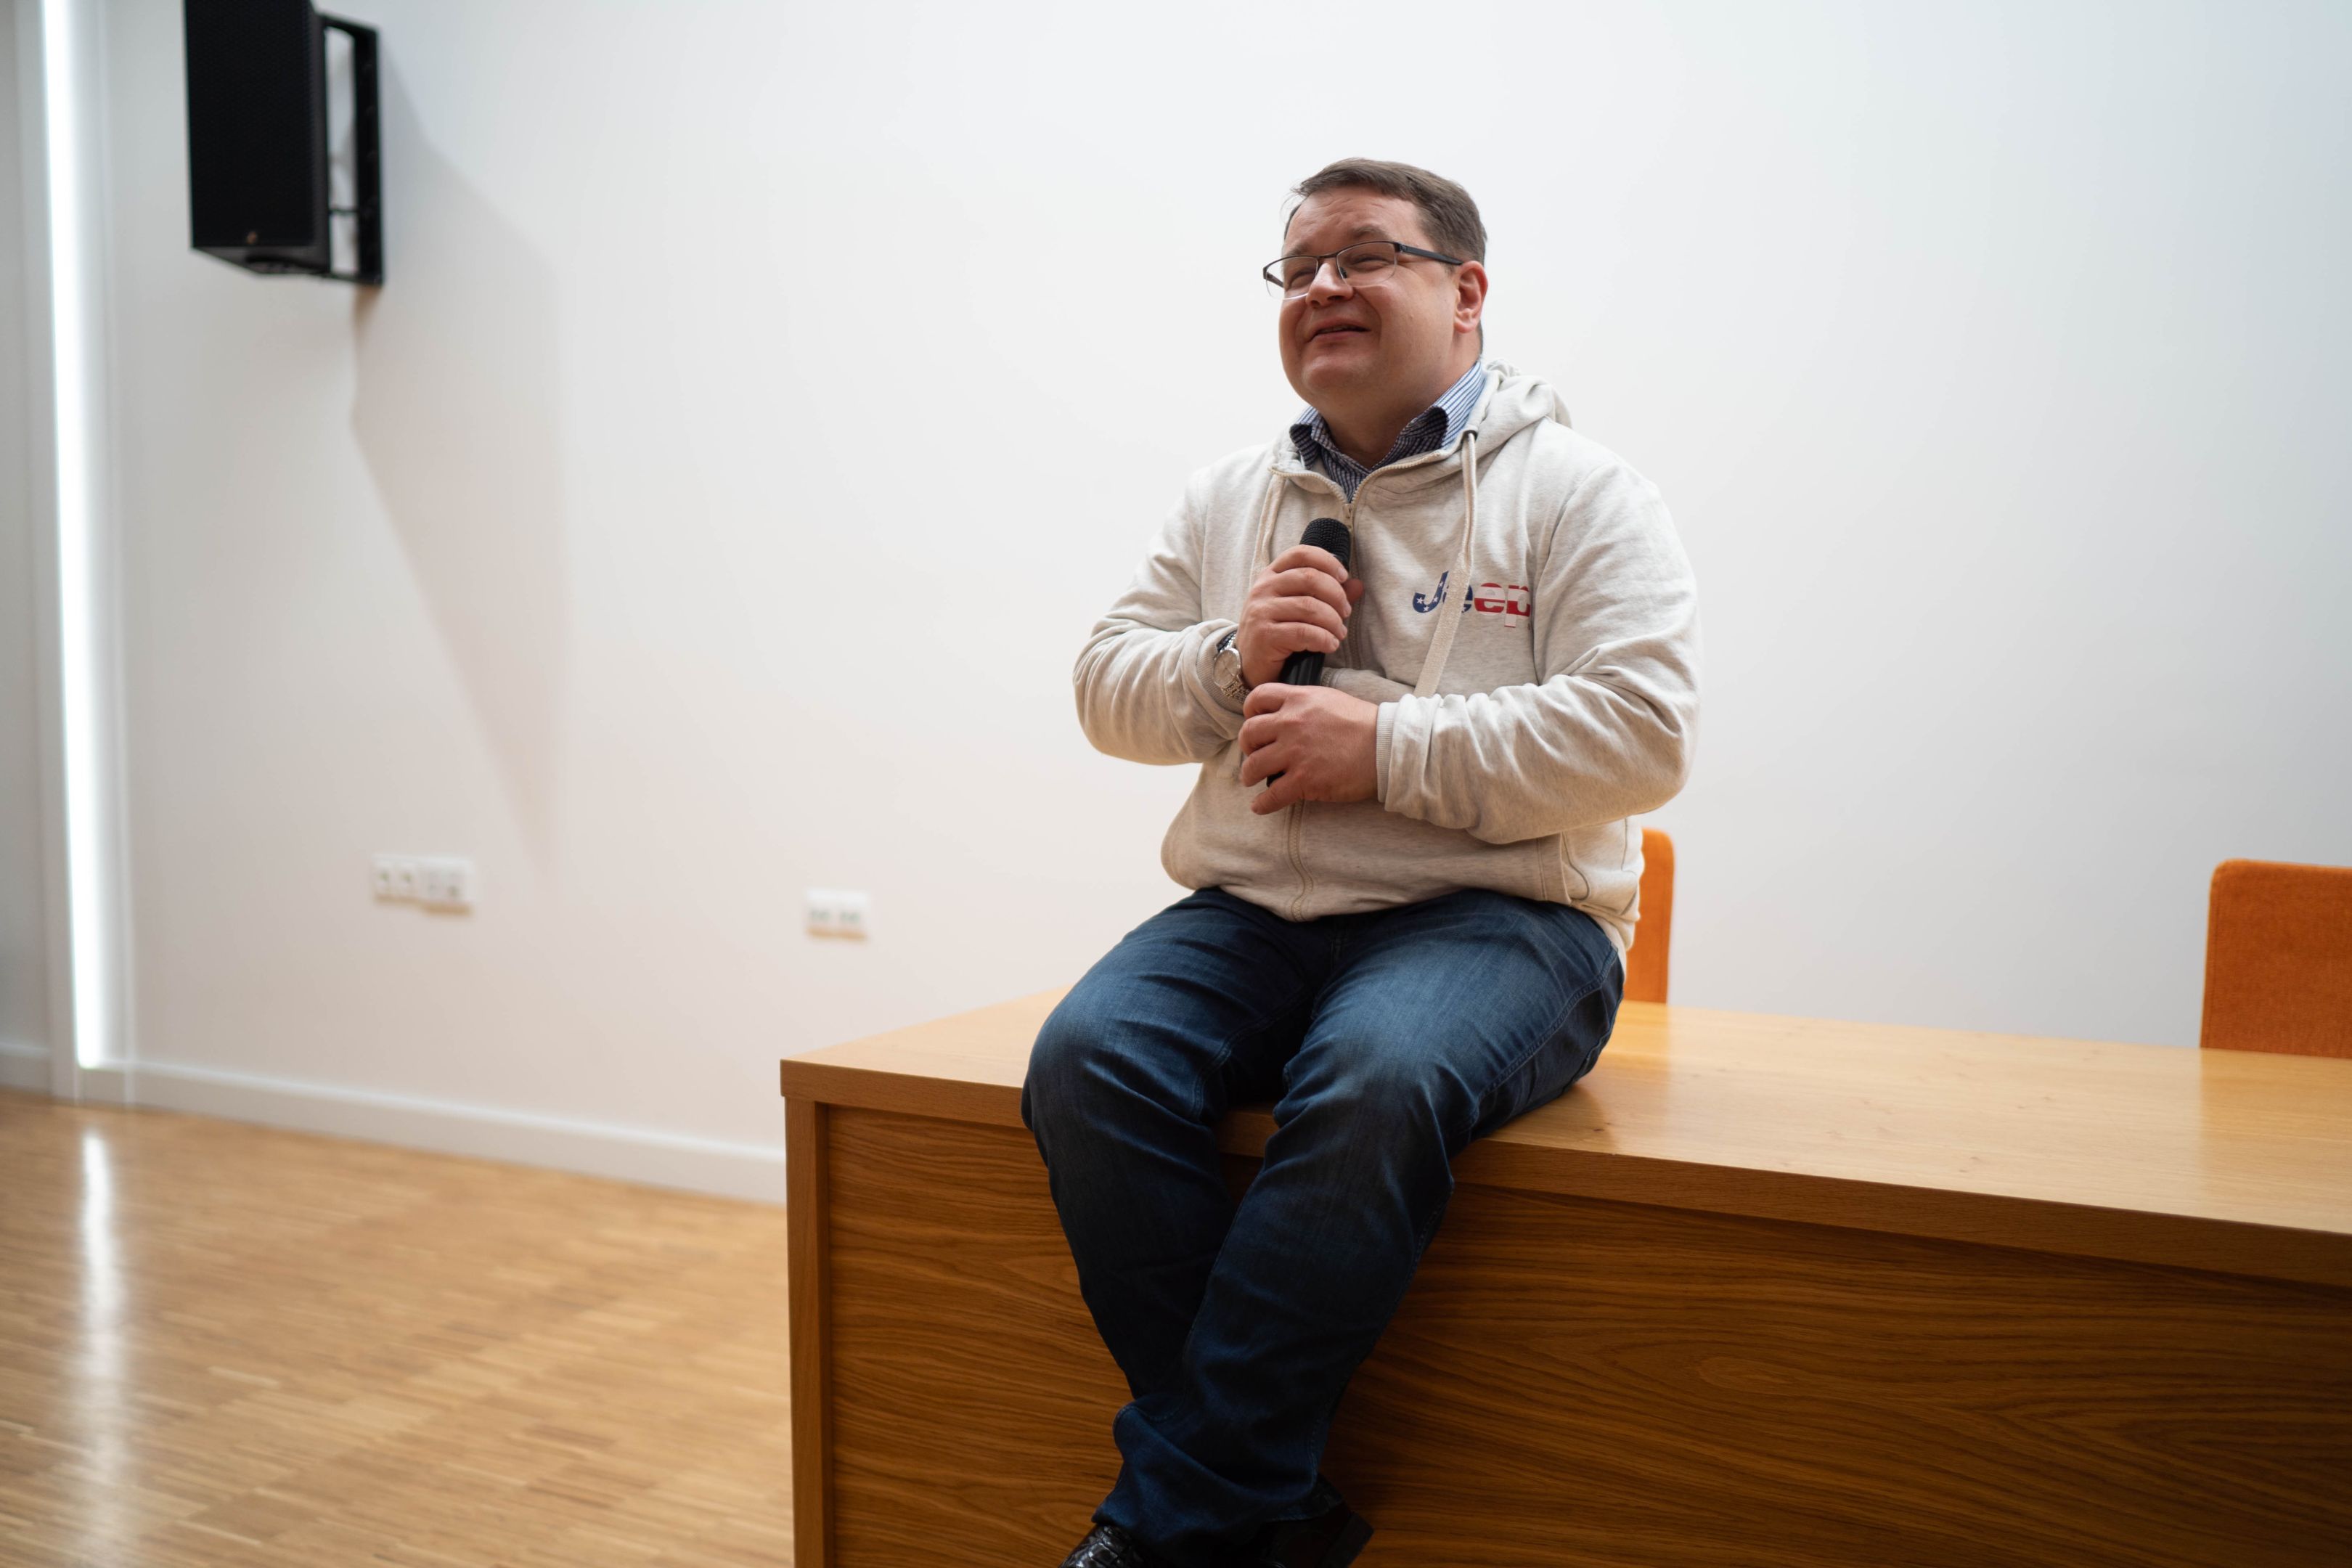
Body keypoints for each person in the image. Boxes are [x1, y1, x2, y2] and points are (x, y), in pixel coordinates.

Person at [1024, 158, 1701, 1568]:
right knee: (1089, 1058)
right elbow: (1102, 689)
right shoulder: (1228, 498)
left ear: (1466, 293)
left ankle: (1173, 1531)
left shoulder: (1582, 492)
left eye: (1365, 256)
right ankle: (1259, 1510)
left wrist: (1384, 750)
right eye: (1299, 267)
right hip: (1255, 910)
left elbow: (1643, 735)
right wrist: (1230, 660)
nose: (1322, 286)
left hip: (1506, 921)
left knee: (1379, 1075)